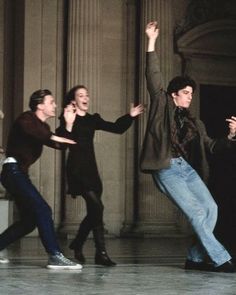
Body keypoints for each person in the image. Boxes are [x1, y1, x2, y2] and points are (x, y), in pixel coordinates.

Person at [140, 21, 236, 272]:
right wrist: (151, 41)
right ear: (173, 94)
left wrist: (231, 136)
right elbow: (153, 75)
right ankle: (221, 258)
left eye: (191, 93)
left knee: (210, 208)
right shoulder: (162, 105)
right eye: (185, 92)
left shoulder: (195, 123)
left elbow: (212, 147)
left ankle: (194, 258)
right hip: (167, 168)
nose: (189, 96)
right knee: (195, 212)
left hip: (186, 169)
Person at [57, 85, 143, 266]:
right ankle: (101, 252)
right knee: (98, 208)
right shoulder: (68, 117)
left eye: (86, 94)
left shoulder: (92, 119)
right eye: (81, 95)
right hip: (76, 169)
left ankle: (79, 243)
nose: (85, 97)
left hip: (91, 169)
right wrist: (68, 123)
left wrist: (130, 116)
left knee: (94, 211)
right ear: (74, 101)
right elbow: (62, 141)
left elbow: (116, 128)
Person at [0, 89, 82, 270]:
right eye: (51, 101)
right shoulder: (26, 119)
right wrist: (58, 136)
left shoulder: (43, 127)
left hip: (18, 173)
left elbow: (59, 145)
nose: (55, 105)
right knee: (43, 210)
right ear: (40, 105)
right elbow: (42, 135)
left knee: (29, 221)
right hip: (12, 171)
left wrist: (68, 124)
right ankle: (55, 256)